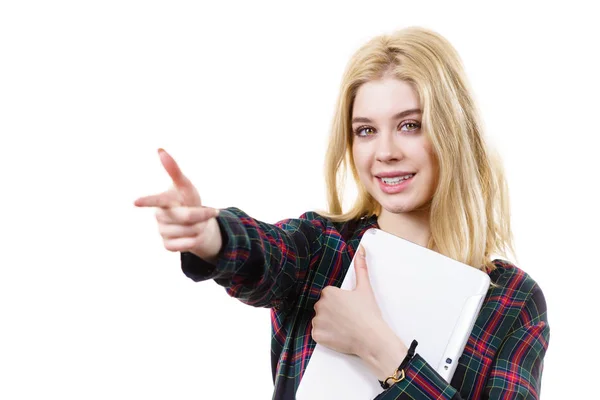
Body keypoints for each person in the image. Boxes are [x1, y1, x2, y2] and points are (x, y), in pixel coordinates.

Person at [134, 26, 550, 399]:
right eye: (366, 130)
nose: (385, 152)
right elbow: (265, 254)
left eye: (410, 125)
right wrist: (211, 235)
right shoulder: (322, 248)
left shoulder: (513, 301)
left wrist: (381, 351)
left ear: (452, 132)